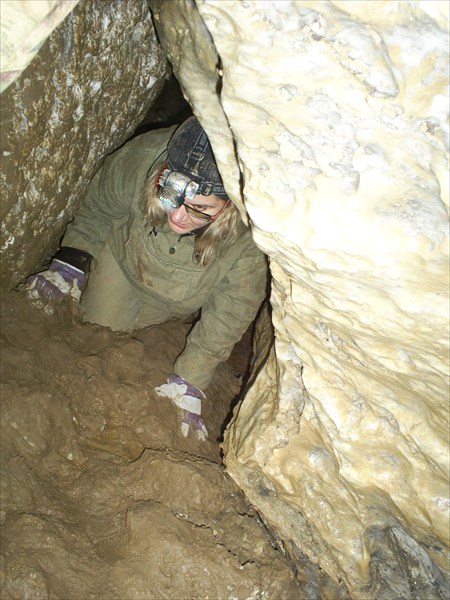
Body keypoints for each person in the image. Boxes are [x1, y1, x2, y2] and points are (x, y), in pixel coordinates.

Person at [26, 116, 268, 441]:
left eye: (199, 209)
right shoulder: (144, 157)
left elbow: (232, 309)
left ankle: (168, 316)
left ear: (228, 205)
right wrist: (71, 263)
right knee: (98, 329)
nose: (177, 216)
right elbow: (100, 208)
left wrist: (190, 380)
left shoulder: (250, 232)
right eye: (170, 195)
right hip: (125, 257)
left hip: (183, 292)